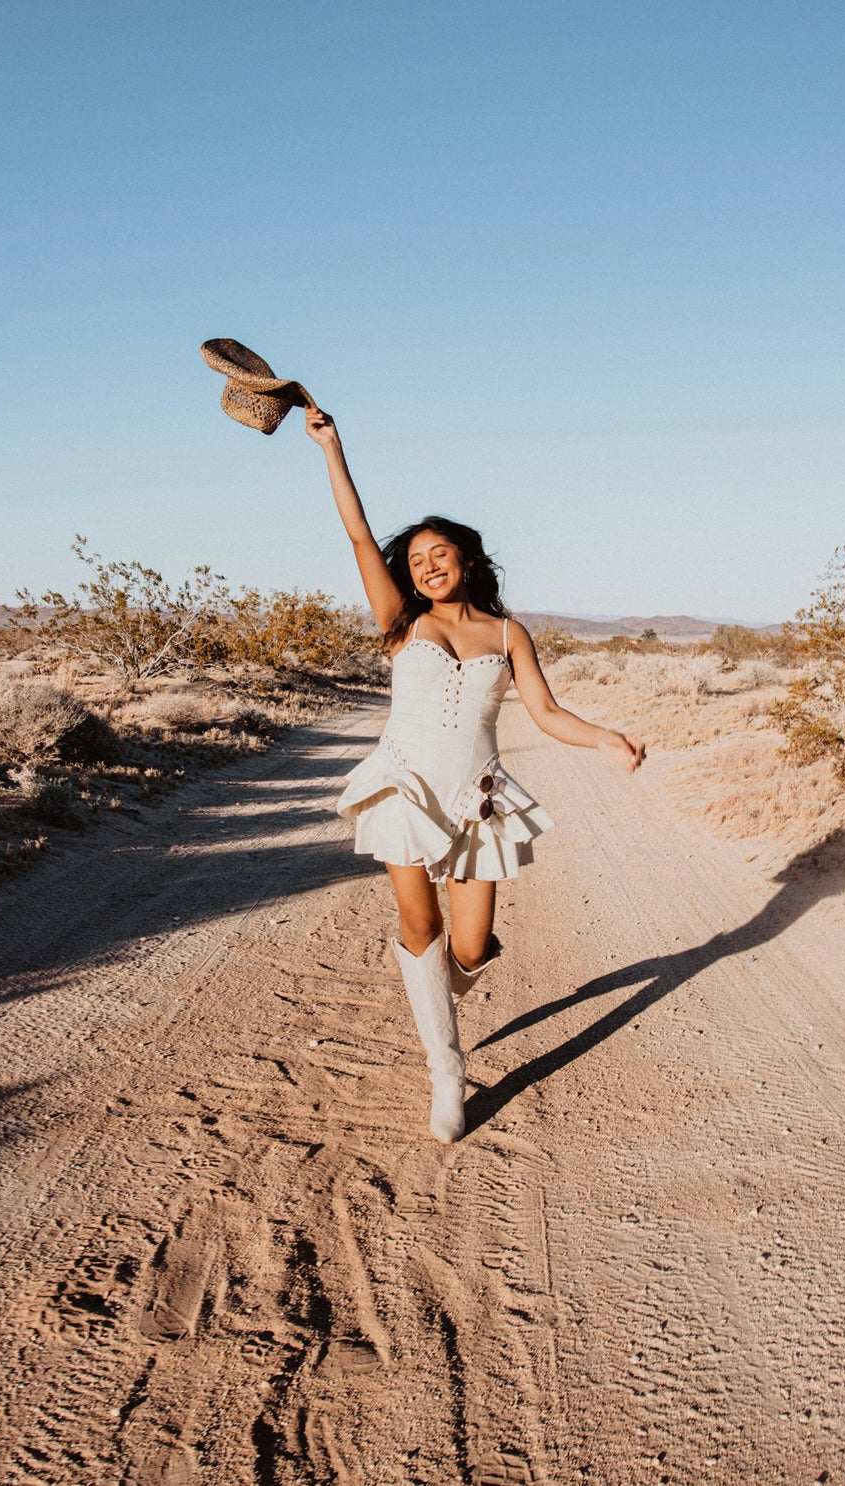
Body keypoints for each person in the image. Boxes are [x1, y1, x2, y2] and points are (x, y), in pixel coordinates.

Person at [305, 406, 645, 1143]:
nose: (428, 564)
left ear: (467, 558)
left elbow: (547, 711)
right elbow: (359, 534)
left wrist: (605, 740)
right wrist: (334, 450)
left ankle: (441, 993)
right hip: (404, 785)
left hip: (477, 799)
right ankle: (446, 1070)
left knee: (468, 949)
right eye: (418, 558)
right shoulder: (402, 621)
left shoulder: (505, 630)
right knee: (418, 925)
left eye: (441, 554)